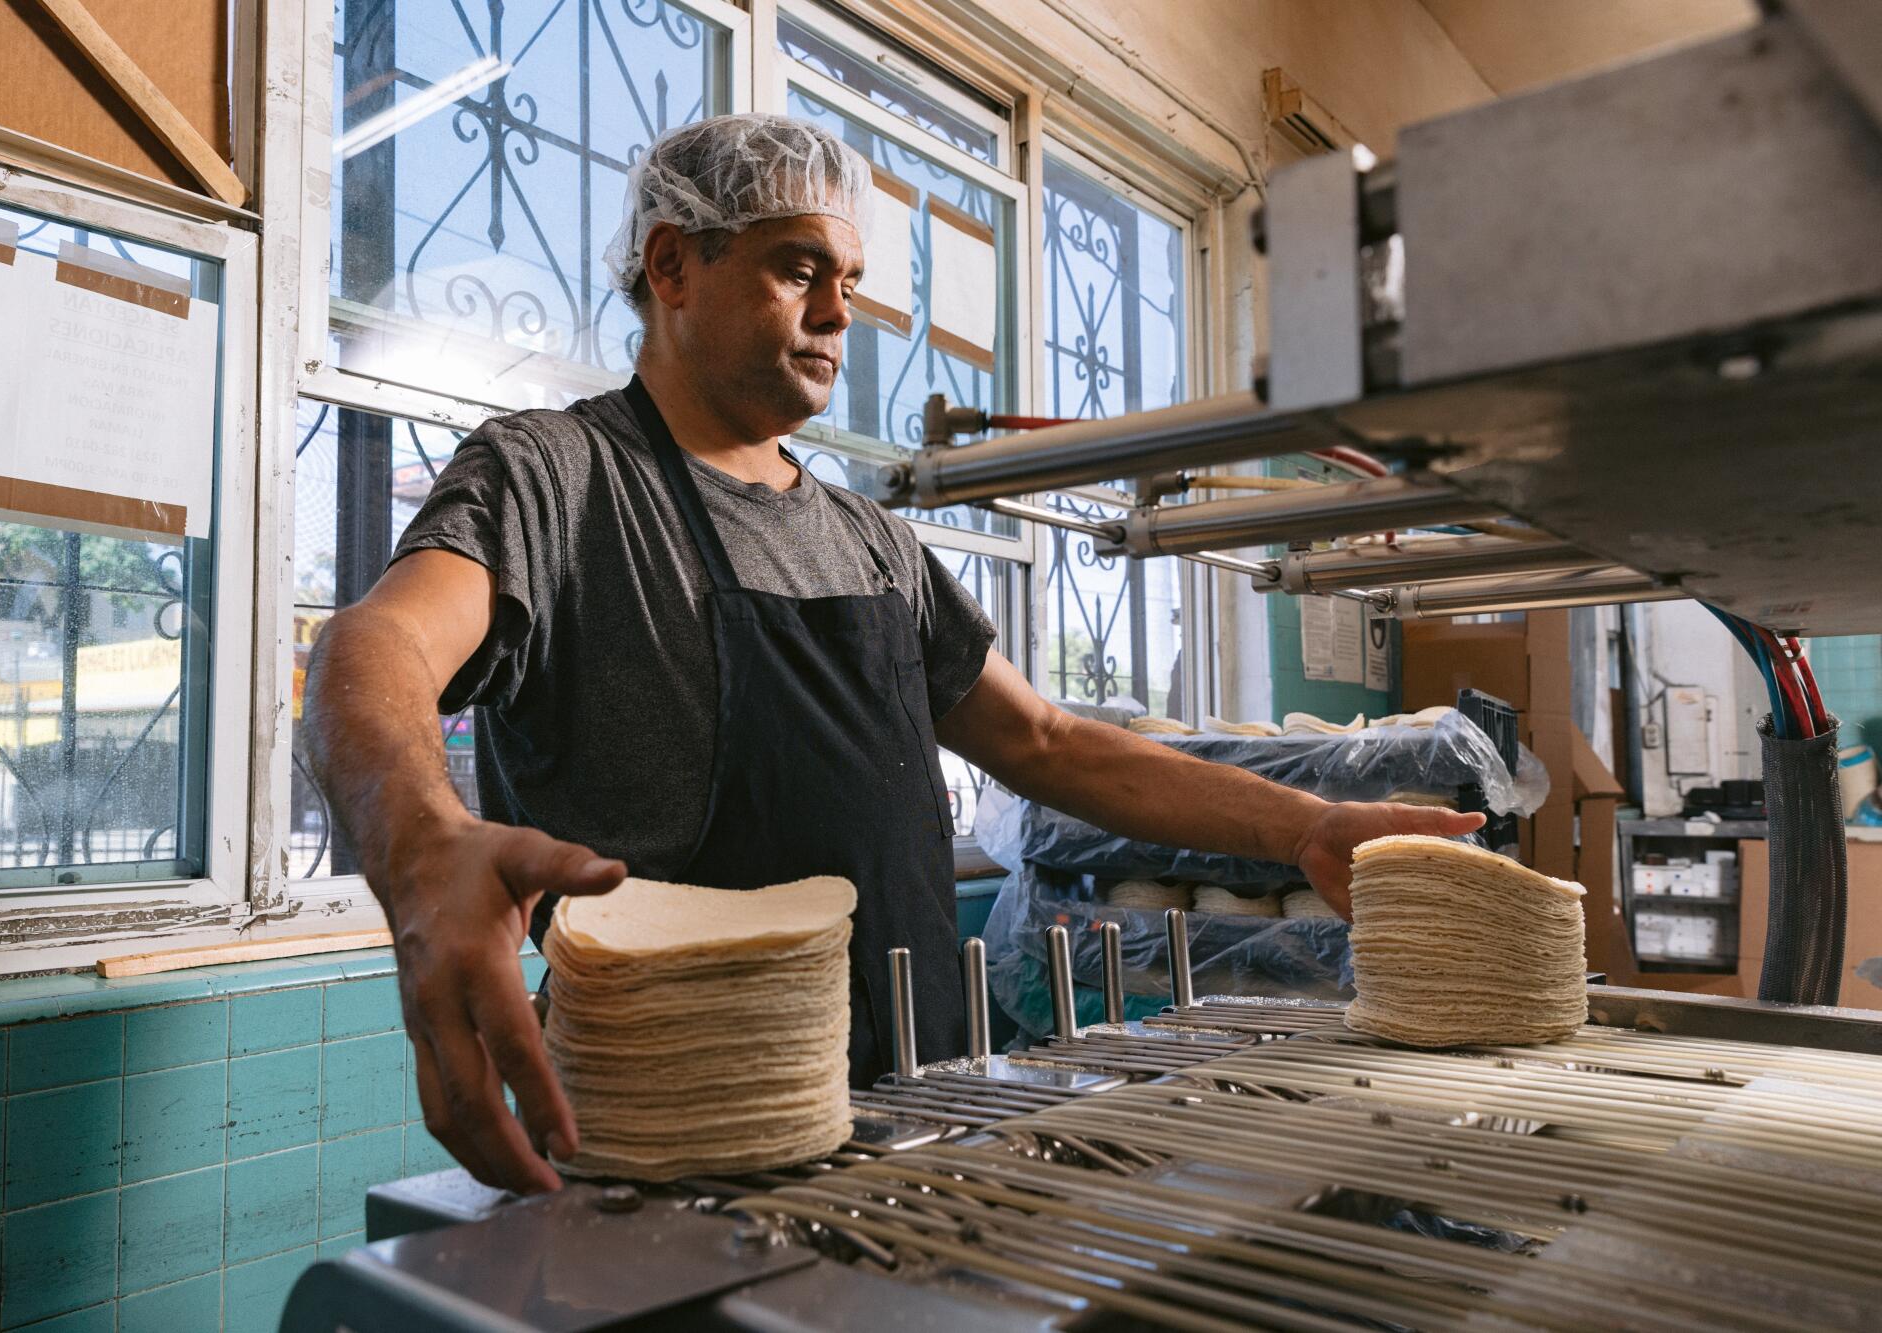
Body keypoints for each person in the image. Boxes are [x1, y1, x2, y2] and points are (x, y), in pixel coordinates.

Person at [300, 113, 1482, 1195]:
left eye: (851, 282)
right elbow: (378, 643)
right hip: (679, 1119)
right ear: (672, 266)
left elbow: (1049, 742)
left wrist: (1301, 827)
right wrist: (420, 848)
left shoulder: (869, 540)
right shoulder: (557, 477)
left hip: (914, 1097)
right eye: (796, 268)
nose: (836, 313)